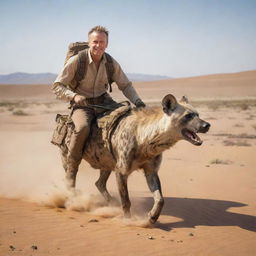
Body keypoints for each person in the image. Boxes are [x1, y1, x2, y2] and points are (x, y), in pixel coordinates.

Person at [52, 25, 145, 186]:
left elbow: (125, 85)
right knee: (82, 128)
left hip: (104, 101)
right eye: (95, 42)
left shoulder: (110, 62)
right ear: (89, 43)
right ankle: (71, 173)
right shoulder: (78, 61)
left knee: (129, 119)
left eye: (102, 42)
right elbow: (57, 86)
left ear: (106, 44)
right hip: (82, 104)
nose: (98, 45)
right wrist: (74, 96)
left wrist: (137, 101)